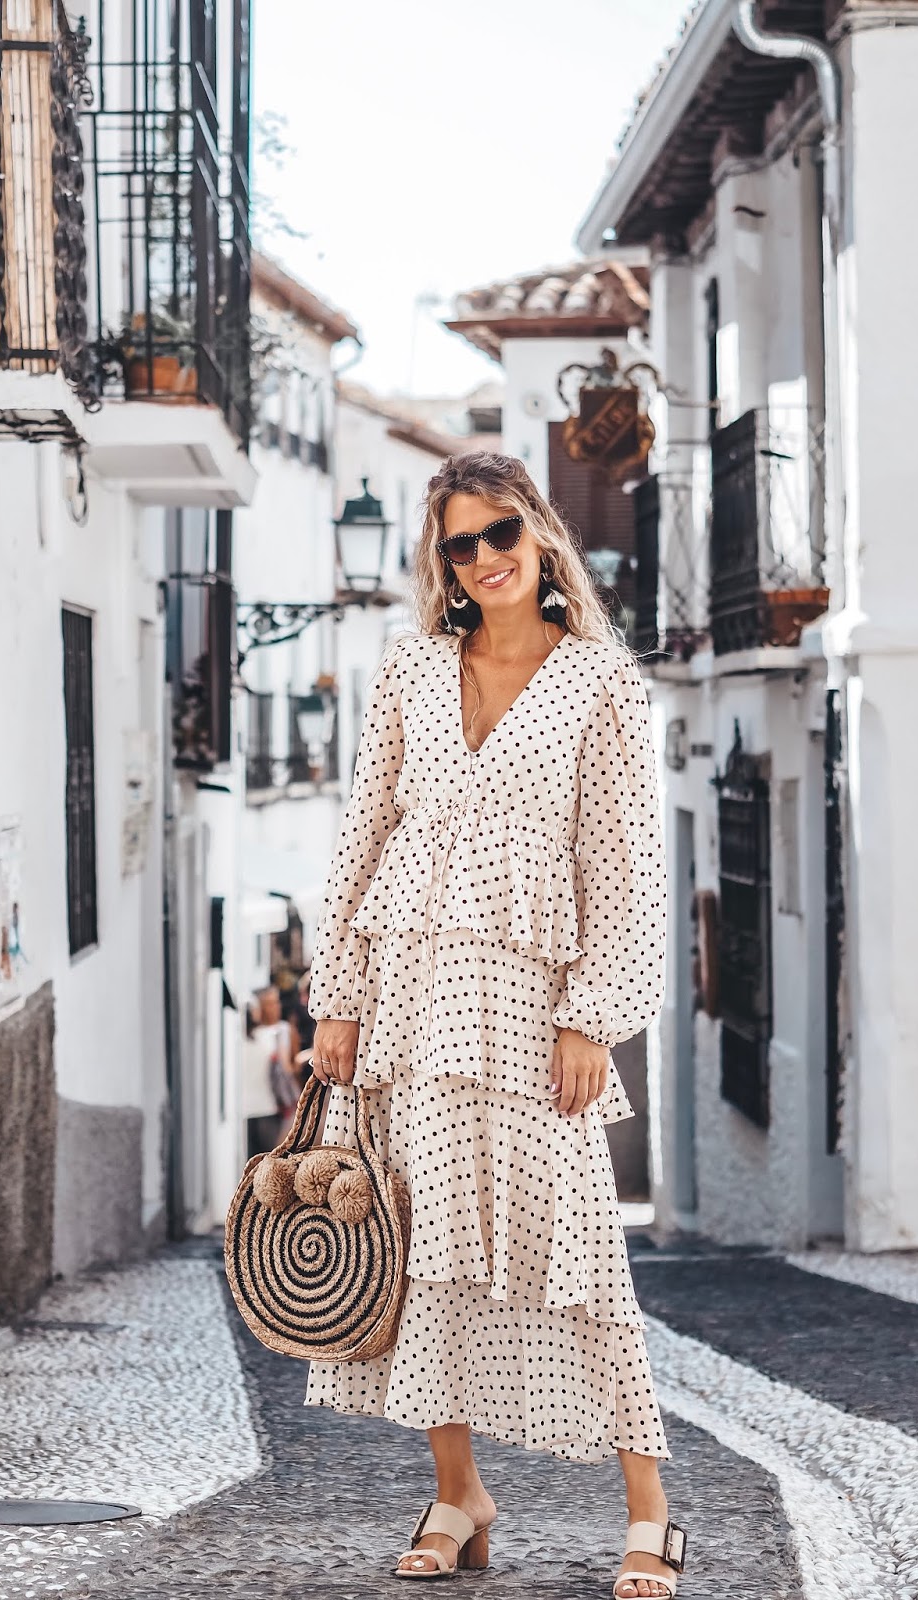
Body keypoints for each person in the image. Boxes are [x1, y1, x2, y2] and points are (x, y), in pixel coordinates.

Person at [306, 451, 684, 1598]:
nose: (484, 560)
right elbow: (364, 832)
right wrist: (338, 995)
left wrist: (595, 1016)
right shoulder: (412, 670)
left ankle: (650, 1510)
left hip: (531, 1012)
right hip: (411, 998)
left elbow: (626, 867)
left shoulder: (602, 682)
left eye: (500, 533)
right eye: (459, 546)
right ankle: (457, 1495)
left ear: (540, 531)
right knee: (428, 1257)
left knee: (581, 1252)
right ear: (443, 565)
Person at [243, 986, 299, 1156]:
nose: (277, 1007)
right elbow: (287, 1069)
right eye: (271, 1003)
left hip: (248, 1109)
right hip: (268, 1109)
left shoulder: (239, 1038)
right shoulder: (278, 1033)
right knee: (269, 1165)